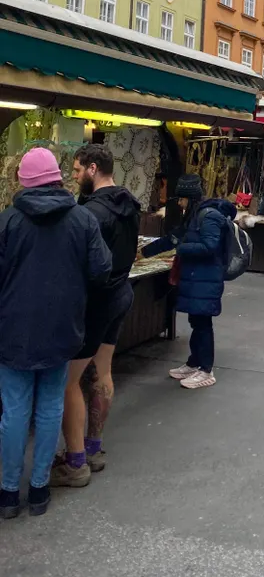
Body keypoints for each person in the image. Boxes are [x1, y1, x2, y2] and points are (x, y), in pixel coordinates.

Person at [0, 148, 111, 519]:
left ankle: (8, 493)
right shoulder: (83, 220)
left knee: (15, 411)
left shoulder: (7, 221)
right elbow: (101, 270)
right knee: (50, 408)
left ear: (22, 182)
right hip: (63, 328)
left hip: (12, 331)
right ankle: (39, 490)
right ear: (57, 179)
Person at [51, 145, 140, 488]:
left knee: (67, 382)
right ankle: (93, 447)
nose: (73, 177)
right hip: (121, 294)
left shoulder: (90, 213)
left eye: (76, 170)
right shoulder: (129, 204)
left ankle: (75, 462)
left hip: (95, 303)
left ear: (92, 169)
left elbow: (81, 265)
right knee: (102, 371)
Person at [139, 174, 235, 390]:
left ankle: (206, 370)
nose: (180, 204)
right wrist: (144, 252)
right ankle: (194, 363)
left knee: (203, 323)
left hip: (206, 279)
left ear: (190, 198)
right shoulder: (193, 217)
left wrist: (181, 249)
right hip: (196, 278)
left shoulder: (208, 216)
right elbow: (173, 238)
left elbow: (210, 246)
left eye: (182, 199)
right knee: (196, 321)